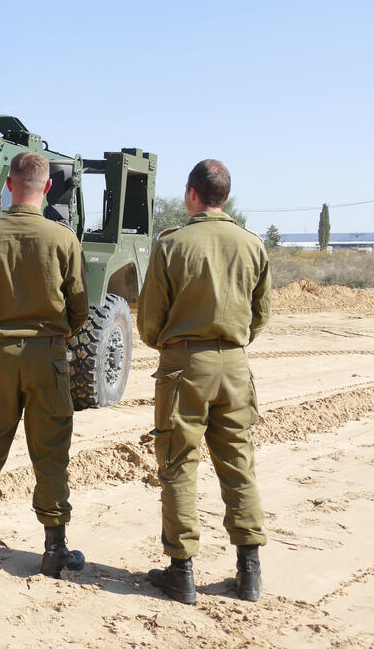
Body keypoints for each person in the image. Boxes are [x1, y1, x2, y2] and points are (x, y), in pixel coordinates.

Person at [137, 159, 271, 604]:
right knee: (239, 463)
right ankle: (250, 572)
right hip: (234, 366)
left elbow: (150, 319)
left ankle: (182, 572)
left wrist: (172, 344)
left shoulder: (171, 244)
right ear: (226, 197)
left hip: (184, 365)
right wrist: (231, 342)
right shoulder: (253, 245)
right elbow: (261, 315)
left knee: (178, 464)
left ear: (192, 194)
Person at [0, 151, 89, 577]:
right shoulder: (63, 238)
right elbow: (80, 307)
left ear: (8, 184)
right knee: (51, 454)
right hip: (47, 357)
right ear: (47, 187)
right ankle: (54, 549)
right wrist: (54, 336)